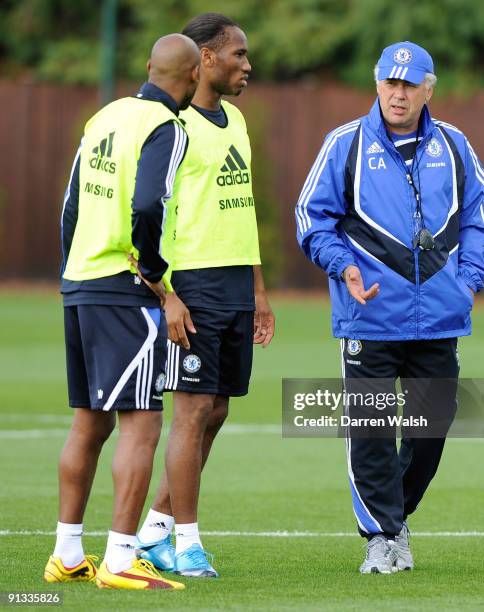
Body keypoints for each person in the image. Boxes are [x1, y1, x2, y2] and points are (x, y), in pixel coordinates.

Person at [295, 41, 484, 574]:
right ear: (377, 83)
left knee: (433, 426)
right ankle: (381, 537)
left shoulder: (454, 145)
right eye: (389, 82)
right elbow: (312, 219)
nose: (397, 93)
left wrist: (469, 279)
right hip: (369, 317)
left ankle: (394, 516)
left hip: (439, 320)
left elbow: (477, 215)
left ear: (429, 88)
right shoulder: (346, 144)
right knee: (373, 431)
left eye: (409, 84)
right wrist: (344, 267)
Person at [44, 34, 200, 590]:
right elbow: (148, 204)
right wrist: (157, 279)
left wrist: (73, 270)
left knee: (89, 420)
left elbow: (71, 204)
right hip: (125, 290)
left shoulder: (104, 116)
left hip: (82, 281)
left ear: (149, 68)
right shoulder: (168, 128)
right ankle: (119, 558)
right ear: (192, 76)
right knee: (143, 421)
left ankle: (66, 553)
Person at [136, 13, 275, 578]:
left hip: (237, 286)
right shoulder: (172, 127)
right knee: (191, 413)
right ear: (206, 60)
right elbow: (143, 215)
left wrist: (260, 290)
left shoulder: (236, 119)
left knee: (215, 410)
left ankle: (156, 530)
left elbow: (243, 210)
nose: (247, 64)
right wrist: (165, 293)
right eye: (238, 54)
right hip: (191, 285)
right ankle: (188, 544)